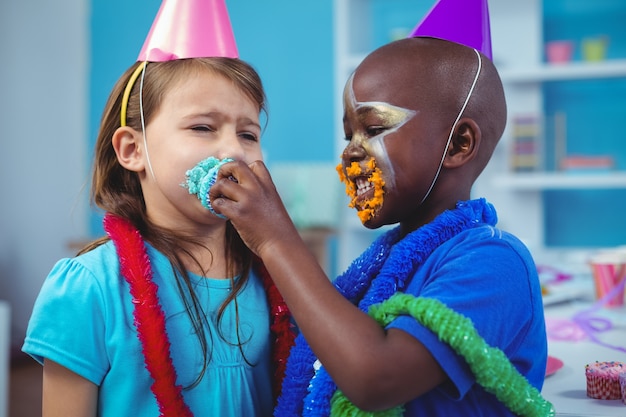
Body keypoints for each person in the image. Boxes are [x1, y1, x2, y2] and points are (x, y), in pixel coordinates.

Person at [208, 0, 553, 415]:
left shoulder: (495, 261)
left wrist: (277, 240)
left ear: (459, 144)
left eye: (373, 129)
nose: (352, 153)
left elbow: (376, 379)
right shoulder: (385, 261)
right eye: (348, 134)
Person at [22, 1, 294, 416]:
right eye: (203, 127)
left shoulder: (276, 274)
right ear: (133, 149)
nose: (232, 150)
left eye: (248, 134)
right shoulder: (89, 288)